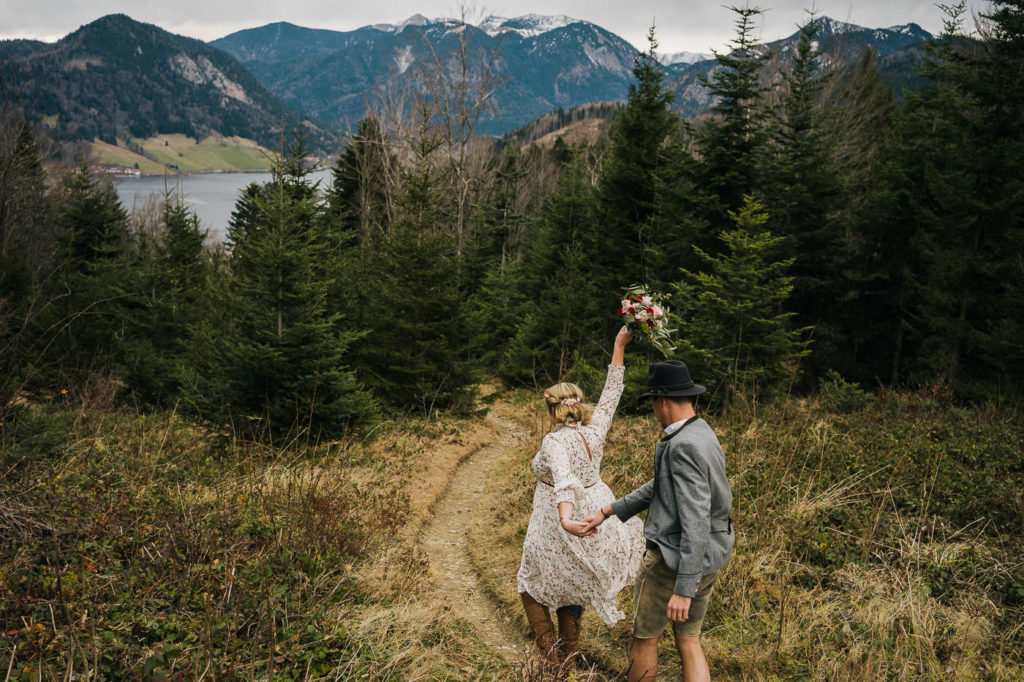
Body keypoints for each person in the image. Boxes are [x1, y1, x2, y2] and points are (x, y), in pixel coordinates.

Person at [583, 359, 734, 682]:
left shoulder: (682, 445)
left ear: (662, 401)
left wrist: (684, 586)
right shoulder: (702, 432)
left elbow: (695, 518)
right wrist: (609, 511)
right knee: (689, 638)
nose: (653, 410)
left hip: (674, 558)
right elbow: (663, 484)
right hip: (712, 553)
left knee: (644, 637)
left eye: (652, 402)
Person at [517, 327, 645, 668]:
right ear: (577, 406)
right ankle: (569, 658)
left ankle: (554, 661)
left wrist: (564, 519)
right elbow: (612, 393)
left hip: (559, 518)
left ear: (550, 411)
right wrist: (619, 346)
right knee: (571, 583)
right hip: (593, 511)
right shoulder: (595, 429)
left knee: (529, 584)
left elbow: (563, 479)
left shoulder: (554, 441)